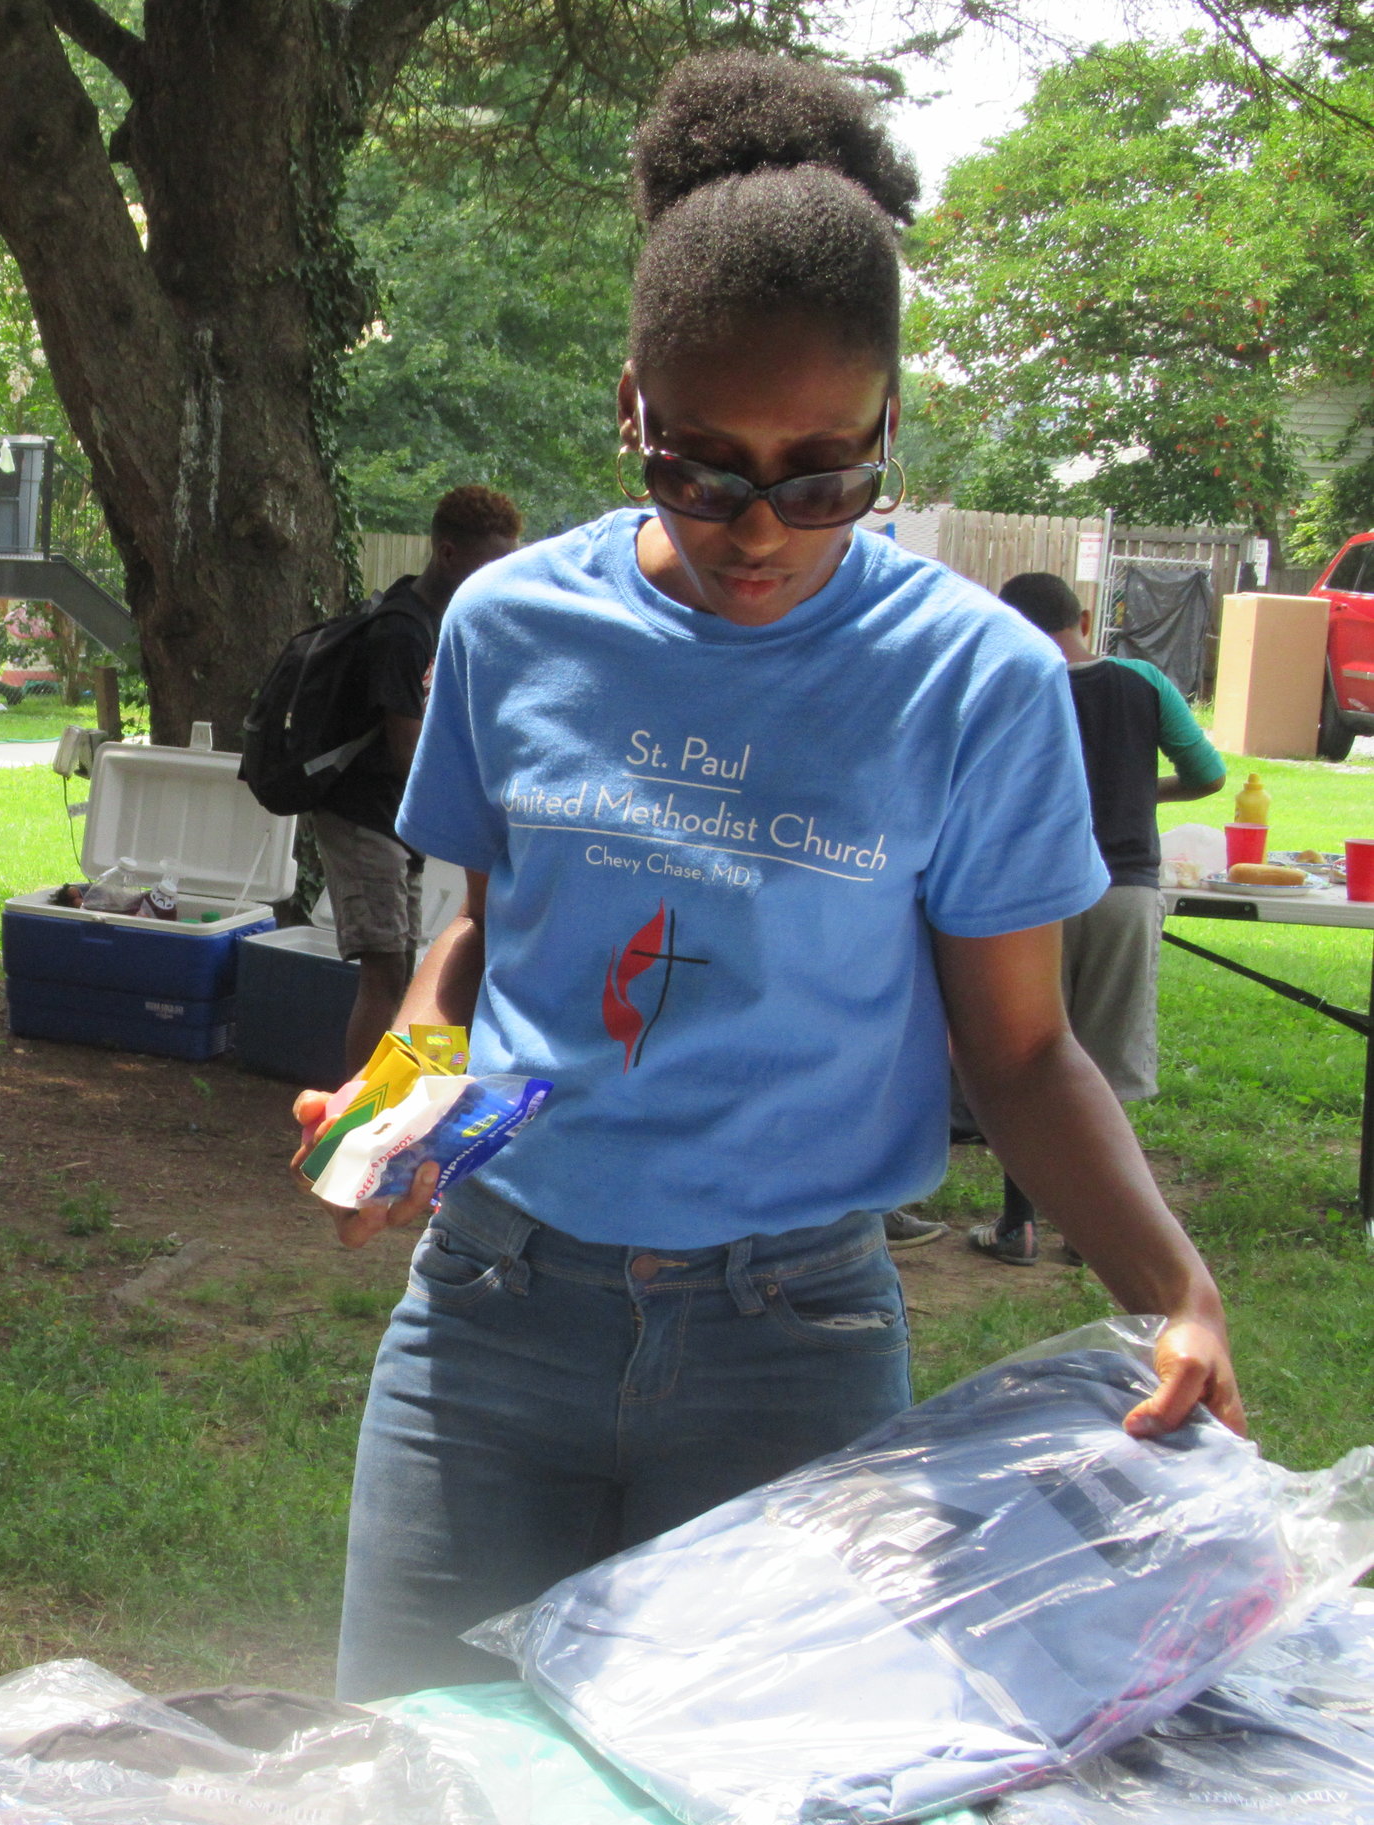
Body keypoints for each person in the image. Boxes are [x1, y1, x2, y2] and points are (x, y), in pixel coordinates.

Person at [296, 53, 1244, 1704]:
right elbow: (485, 936)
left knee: (741, 1812)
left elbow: (1019, 1054)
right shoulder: (513, 627)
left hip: (789, 1347)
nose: (757, 527)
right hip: (490, 1322)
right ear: (628, 411)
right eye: (700, 468)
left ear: (890, 429)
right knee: (416, 1795)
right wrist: (409, 1081)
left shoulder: (975, 682)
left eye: (822, 475)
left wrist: (1176, 1287)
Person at [955, 570, 1225, 1265]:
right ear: (1081, 614)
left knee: (1023, 1056)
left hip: (1028, 898)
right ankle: (1092, 1230)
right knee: (1102, 1062)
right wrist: (1146, 789)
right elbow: (1208, 772)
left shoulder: (1004, 683)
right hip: (1125, 889)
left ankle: (1018, 1224)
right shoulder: (1142, 682)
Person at [309, 486, 524, 1071]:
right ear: (448, 553)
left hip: (395, 822)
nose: (500, 578)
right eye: (491, 564)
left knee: (405, 963)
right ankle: (355, 1112)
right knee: (385, 972)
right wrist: (462, 823)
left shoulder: (438, 621)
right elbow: (411, 750)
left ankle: (398, 1095)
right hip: (364, 818)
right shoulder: (401, 631)